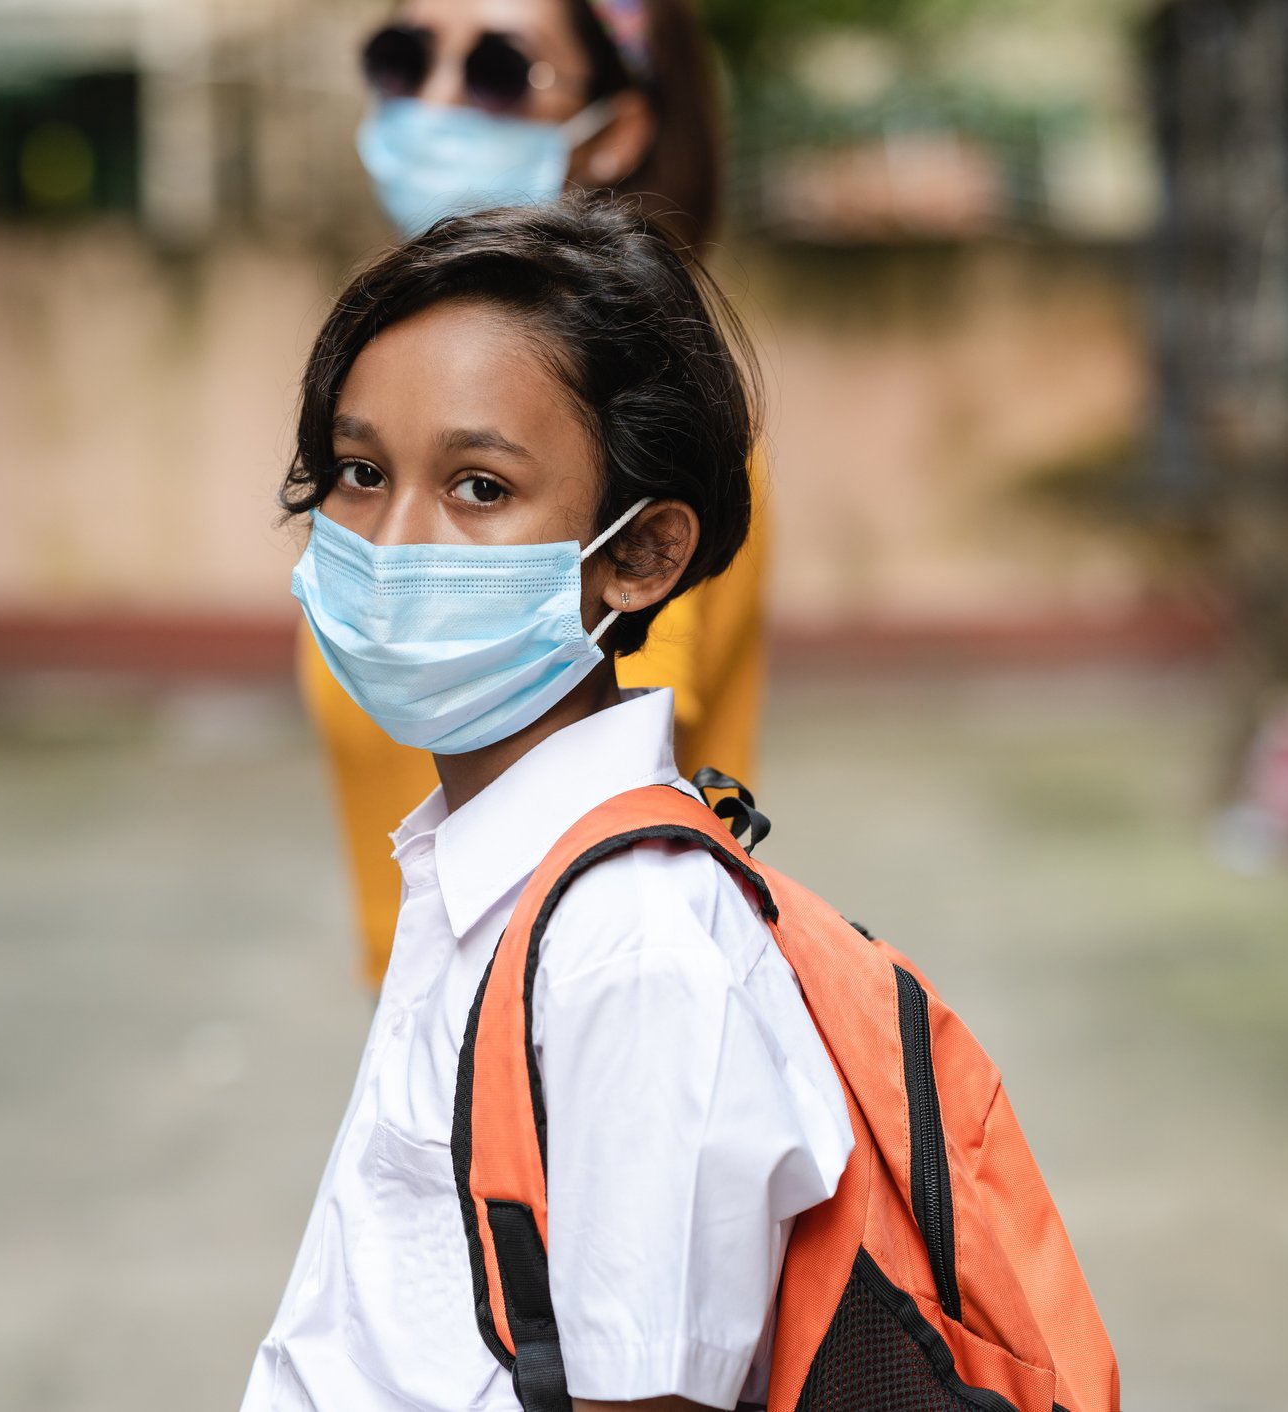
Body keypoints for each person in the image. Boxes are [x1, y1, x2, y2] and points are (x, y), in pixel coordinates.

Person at [243, 197, 850, 1412]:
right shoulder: (486, 873)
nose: (395, 539)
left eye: (477, 487)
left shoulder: (631, 953)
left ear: (639, 554)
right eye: (361, 472)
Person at [303, 0, 768, 985]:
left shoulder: (640, 430)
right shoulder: (398, 389)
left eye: (498, 71)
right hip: (435, 983)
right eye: (404, 56)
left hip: (555, 987)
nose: (434, 103)